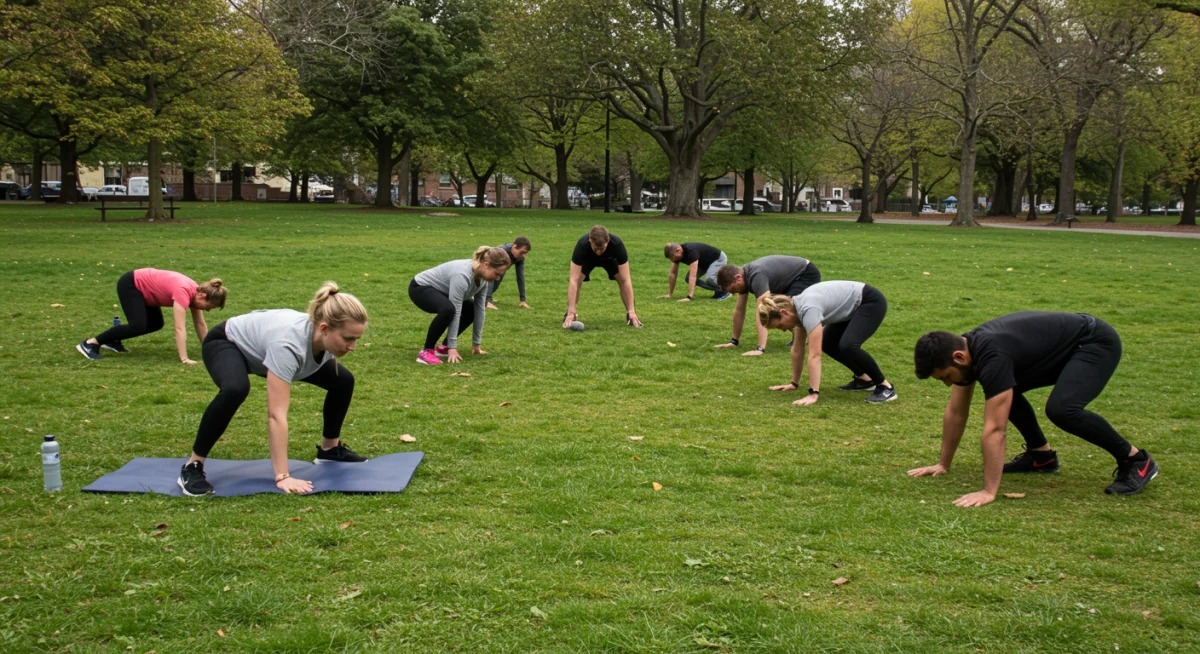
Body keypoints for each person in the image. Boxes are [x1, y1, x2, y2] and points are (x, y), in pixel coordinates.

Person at [909, 312, 1158, 506]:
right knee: (1004, 391)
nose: (948, 383)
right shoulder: (968, 351)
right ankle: (1041, 457)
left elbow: (995, 429)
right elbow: (956, 412)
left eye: (946, 376)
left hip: (1093, 342)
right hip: (1061, 349)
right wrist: (943, 464)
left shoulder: (991, 355)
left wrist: (988, 491)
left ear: (958, 357)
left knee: (1063, 409)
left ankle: (1136, 460)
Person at [177, 282, 367, 496]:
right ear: (323, 328)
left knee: (343, 380)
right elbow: (276, 415)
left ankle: (329, 450)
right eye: (348, 339)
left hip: (266, 347)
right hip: (227, 342)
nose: (353, 347)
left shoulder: (320, 335)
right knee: (235, 389)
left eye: (356, 339)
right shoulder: (288, 346)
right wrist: (283, 477)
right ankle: (193, 465)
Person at [757, 283, 896, 405]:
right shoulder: (796, 311)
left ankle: (886, 387)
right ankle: (864, 380)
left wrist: (813, 393)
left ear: (784, 312)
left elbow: (815, 355)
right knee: (827, 343)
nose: (782, 330)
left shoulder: (808, 310)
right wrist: (793, 383)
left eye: (779, 325)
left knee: (849, 345)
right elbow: (797, 350)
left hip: (869, 302)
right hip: (850, 308)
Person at [76, 268, 227, 363]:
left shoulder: (196, 294)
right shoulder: (183, 293)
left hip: (148, 292)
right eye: (208, 307)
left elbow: (200, 324)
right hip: (132, 284)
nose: (207, 311)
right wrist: (184, 358)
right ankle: (90, 343)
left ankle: (112, 341)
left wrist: (210, 350)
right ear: (201, 295)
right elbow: (179, 328)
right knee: (138, 325)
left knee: (155, 323)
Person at [409, 246, 509, 365]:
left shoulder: (483, 278)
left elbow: (480, 310)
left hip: (443, 292)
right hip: (420, 288)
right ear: (486, 265)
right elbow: (456, 311)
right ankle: (426, 352)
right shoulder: (462, 275)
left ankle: (443, 347)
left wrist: (476, 345)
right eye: (497, 273)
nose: (498, 278)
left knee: (471, 309)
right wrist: (453, 348)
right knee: (448, 309)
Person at [713, 255, 820, 356]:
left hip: (805, 274)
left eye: (733, 289)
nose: (734, 293)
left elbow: (763, 312)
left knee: (781, 310)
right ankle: (800, 336)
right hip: (789, 280)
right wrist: (733, 341)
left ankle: (814, 334)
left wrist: (760, 349)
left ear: (738, 277)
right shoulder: (743, 278)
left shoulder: (756, 275)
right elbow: (739, 310)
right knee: (779, 309)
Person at [563, 225, 643, 328]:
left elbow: (626, 280)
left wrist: (632, 310)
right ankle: (571, 313)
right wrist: (570, 311)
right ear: (590, 241)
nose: (599, 252)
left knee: (621, 279)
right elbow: (573, 280)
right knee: (578, 280)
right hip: (588, 259)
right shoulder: (582, 245)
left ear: (608, 241)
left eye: (602, 248)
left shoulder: (617, 244)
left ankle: (631, 314)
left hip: (609, 260)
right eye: (596, 248)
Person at [658, 242, 731, 302]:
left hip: (717, 259)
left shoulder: (692, 251)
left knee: (710, 278)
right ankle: (719, 290)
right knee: (687, 279)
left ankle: (727, 290)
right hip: (703, 262)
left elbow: (693, 276)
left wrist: (689, 297)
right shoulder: (677, 255)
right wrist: (670, 294)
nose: (672, 260)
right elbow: (673, 274)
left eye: (672, 257)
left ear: (679, 250)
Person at [486, 236, 531, 310]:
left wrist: (523, 300)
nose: (524, 256)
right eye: (522, 252)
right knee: (494, 274)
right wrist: (487, 301)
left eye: (526, 253)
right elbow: (490, 272)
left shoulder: (520, 257)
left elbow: (520, 277)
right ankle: (486, 300)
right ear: (514, 246)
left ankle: (487, 298)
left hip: (497, 271)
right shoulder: (501, 252)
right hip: (484, 269)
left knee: (498, 276)